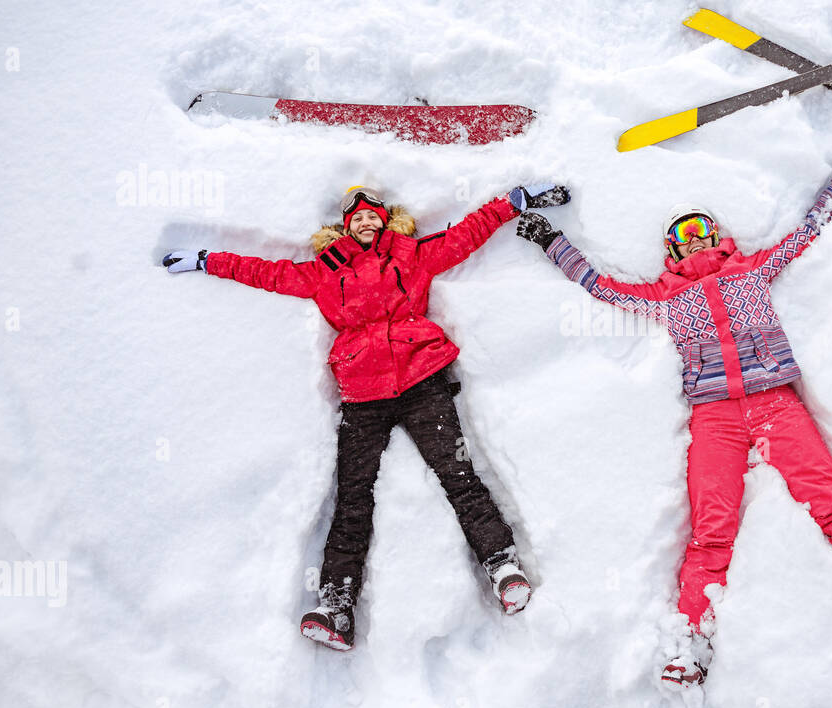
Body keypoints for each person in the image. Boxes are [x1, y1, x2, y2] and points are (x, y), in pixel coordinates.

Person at [515, 154, 832, 689]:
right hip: (715, 417)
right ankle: (690, 639)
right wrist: (552, 242)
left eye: (701, 228)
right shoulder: (667, 297)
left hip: (774, 402)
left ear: (719, 234)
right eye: (681, 235)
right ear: (670, 250)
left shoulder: (753, 270)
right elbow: (602, 288)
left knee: (831, 500)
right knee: (712, 529)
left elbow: (805, 233)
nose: (693, 239)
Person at [162, 182, 569, 650]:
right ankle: (336, 606)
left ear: (386, 219)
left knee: (457, 475)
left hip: (423, 382)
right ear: (344, 227)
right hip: (362, 393)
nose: (365, 220)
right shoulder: (323, 272)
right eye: (356, 217)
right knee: (353, 498)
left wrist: (513, 200)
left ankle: (504, 567)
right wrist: (206, 260)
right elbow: (264, 272)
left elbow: (467, 234)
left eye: (373, 214)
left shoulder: (411, 254)